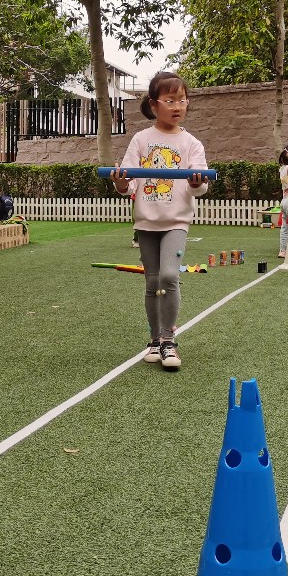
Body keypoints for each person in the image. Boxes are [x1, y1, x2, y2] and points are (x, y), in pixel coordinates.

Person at [109, 71, 209, 372]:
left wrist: (196, 182)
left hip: (176, 220)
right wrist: (120, 182)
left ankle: (168, 340)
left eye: (182, 100)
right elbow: (128, 182)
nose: (177, 106)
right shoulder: (141, 140)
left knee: (168, 276)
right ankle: (154, 340)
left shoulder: (192, 143)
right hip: (146, 221)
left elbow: (201, 186)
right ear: (154, 104)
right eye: (170, 100)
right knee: (152, 281)